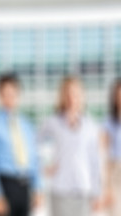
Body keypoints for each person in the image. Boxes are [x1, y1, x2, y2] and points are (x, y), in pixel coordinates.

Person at [0, 73, 41, 216]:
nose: (9, 98)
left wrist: (38, 187)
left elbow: (35, 158)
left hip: (25, 187)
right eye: (5, 94)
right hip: (5, 185)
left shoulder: (26, 125)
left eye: (13, 93)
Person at [38, 76, 102, 216]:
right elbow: (42, 146)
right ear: (62, 96)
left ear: (82, 96)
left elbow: (94, 161)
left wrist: (97, 192)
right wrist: (47, 163)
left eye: (76, 94)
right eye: (68, 94)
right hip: (60, 189)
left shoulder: (90, 126)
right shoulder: (51, 123)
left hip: (83, 189)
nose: (72, 98)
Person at [103, 78, 121, 216]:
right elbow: (105, 155)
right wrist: (107, 186)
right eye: (118, 95)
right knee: (115, 211)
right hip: (116, 169)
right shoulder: (109, 123)